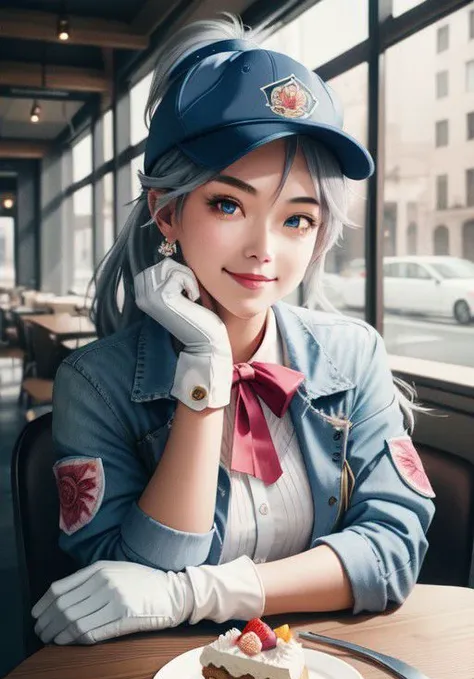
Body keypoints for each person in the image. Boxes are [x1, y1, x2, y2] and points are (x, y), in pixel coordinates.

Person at [32, 14, 435, 646]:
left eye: (297, 219)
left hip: (324, 669)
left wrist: (203, 590)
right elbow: (120, 590)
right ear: (168, 213)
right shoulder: (95, 383)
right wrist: (204, 373)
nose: (264, 250)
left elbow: (391, 549)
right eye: (228, 204)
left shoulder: (354, 355)